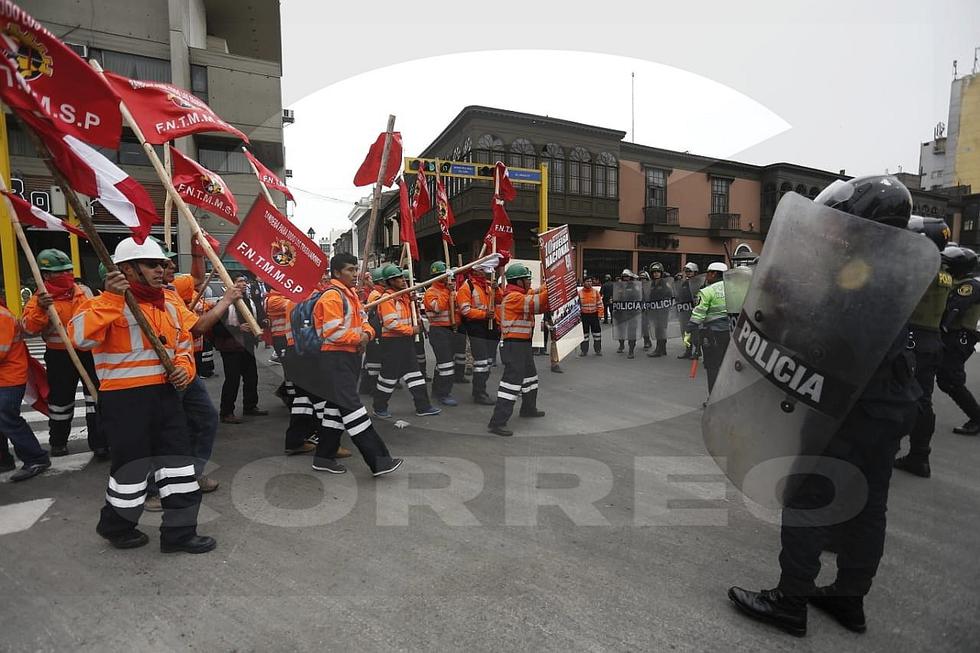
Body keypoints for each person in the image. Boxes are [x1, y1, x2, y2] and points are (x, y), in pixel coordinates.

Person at [727, 175, 927, 636]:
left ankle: (791, 599)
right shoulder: (900, 263)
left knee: (810, 497)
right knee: (869, 503)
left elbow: (822, 332)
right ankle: (849, 598)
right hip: (893, 401)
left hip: (848, 401)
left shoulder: (856, 267)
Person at [69, 237, 215, 553]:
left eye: (162, 264)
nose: (161, 270)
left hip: (166, 397)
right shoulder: (101, 303)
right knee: (130, 472)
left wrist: (183, 371)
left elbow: (183, 347)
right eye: (152, 264)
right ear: (126, 269)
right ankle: (117, 528)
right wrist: (111, 298)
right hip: (124, 402)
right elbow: (80, 337)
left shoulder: (170, 303)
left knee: (179, 468)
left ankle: (180, 535)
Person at [309, 253, 402, 476]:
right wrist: (359, 337)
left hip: (348, 357)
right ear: (338, 272)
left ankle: (323, 458)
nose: (355, 274)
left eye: (355, 269)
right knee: (354, 411)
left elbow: (366, 322)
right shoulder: (332, 297)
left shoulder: (349, 295)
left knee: (333, 411)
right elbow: (331, 332)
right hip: (335, 359)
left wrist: (366, 335)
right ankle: (379, 461)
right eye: (350, 270)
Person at [20, 248, 105, 458]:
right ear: (47, 276)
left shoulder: (84, 291)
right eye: (61, 272)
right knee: (60, 403)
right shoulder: (40, 299)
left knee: (96, 399)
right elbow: (29, 328)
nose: (67, 275)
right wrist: (41, 309)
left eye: (69, 270)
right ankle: (58, 442)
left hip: (88, 353)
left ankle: (101, 443)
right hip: (59, 357)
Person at [893, 217, 953, 478]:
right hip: (930, 340)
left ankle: (885, 453)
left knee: (896, 398)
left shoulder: (922, 267)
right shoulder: (944, 270)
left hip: (912, 340)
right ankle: (920, 456)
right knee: (923, 401)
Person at [372, 264, 440, 418]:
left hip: (405, 341)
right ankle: (379, 407)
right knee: (388, 378)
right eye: (399, 278)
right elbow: (391, 323)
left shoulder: (405, 297)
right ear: (390, 281)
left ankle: (423, 406)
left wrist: (413, 301)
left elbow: (412, 316)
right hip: (392, 343)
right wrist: (412, 330)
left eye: (403, 277)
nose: (403, 280)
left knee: (415, 375)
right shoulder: (387, 299)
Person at [487, 263, 548, 437]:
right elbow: (538, 303)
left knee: (530, 378)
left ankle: (528, 408)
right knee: (511, 384)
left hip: (522, 344)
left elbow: (536, 292)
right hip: (514, 345)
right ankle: (497, 422)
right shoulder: (514, 297)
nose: (530, 282)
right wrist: (555, 289)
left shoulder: (519, 293)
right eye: (527, 279)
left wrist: (552, 282)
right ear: (519, 281)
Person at [0, 299, 51, 481]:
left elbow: (1, 351)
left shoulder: (1, 315)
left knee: (6, 417)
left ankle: (36, 458)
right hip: (6, 377)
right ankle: (3, 459)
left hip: (9, 378)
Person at [935, 245, 980, 435]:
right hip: (950, 335)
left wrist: (943, 325)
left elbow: (955, 307)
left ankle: (977, 418)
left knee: (950, 379)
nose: (945, 267)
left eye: (948, 264)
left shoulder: (970, 285)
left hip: (960, 336)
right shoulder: (956, 281)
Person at [213, 275, 267, 423]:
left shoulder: (251, 302)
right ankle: (226, 412)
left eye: (245, 281)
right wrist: (238, 328)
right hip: (231, 348)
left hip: (248, 345)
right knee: (232, 380)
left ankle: (250, 406)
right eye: (239, 282)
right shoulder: (223, 304)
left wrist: (263, 323)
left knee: (251, 377)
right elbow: (216, 329)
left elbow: (260, 317)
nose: (243, 284)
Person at [456, 265, 498, 405]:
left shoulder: (488, 285)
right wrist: (484, 314)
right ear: (474, 271)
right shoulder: (466, 288)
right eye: (482, 269)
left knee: (488, 362)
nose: (485, 272)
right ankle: (479, 393)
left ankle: (481, 391)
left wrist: (496, 289)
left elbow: (500, 299)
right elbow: (465, 310)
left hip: (490, 326)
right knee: (481, 361)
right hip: (476, 327)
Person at [687, 262, 729, 393]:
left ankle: (713, 398)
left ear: (714, 273)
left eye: (708, 272)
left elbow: (698, 315)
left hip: (712, 335)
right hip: (731, 333)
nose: (706, 276)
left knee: (712, 367)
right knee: (727, 366)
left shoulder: (707, 291)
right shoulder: (733, 288)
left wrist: (689, 330)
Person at [423, 261, 460, 406]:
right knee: (446, 364)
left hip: (451, 330)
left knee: (443, 363)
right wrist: (447, 292)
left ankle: (437, 390)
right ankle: (444, 393)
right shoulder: (431, 292)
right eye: (443, 275)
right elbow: (438, 307)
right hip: (438, 331)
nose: (446, 278)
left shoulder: (450, 290)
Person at [358, 268, 386, 395]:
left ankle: (367, 386)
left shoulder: (379, 292)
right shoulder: (376, 294)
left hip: (374, 328)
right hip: (373, 328)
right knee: (373, 361)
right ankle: (371, 387)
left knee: (372, 361)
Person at [645, 262, 675, 358]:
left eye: (658, 271)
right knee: (658, 329)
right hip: (654, 310)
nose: (656, 273)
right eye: (654, 272)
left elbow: (670, 296)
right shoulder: (652, 284)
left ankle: (659, 349)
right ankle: (662, 349)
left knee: (660, 329)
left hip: (662, 311)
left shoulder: (665, 284)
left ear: (661, 272)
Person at [613, 269, 642, 359]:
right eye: (624, 277)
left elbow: (639, 297)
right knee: (621, 330)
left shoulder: (635, 286)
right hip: (621, 312)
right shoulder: (619, 286)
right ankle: (621, 344)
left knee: (631, 331)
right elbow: (615, 298)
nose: (626, 278)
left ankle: (631, 350)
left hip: (632, 313)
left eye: (627, 277)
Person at [675, 262, 700, 359]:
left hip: (695, 311)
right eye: (686, 271)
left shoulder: (699, 282)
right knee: (686, 332)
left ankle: (697, 351)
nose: (688, 273)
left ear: (695, 272)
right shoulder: (684, 282)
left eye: (690, 271)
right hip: (684, 310)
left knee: (696, 332)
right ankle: (688, 350)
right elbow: (679, 295)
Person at [578, 276, 604, 356]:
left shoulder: (595, 292)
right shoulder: (579, 293)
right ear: (583, 283)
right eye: (587, 281)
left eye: (590, 281)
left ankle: (598, 350)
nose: (589, 283)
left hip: (594, 315)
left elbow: (600, 304)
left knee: (597, 334)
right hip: (584, 316)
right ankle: (584, 351)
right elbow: (577, 306)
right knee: (584, 335)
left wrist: (600, 315)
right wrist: (578, 317)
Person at [265, 287, 290, 361]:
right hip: (280, 336)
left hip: (286, 335)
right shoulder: (274, 300)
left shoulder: (281, 296)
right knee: (288, 364)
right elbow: (294, 305)